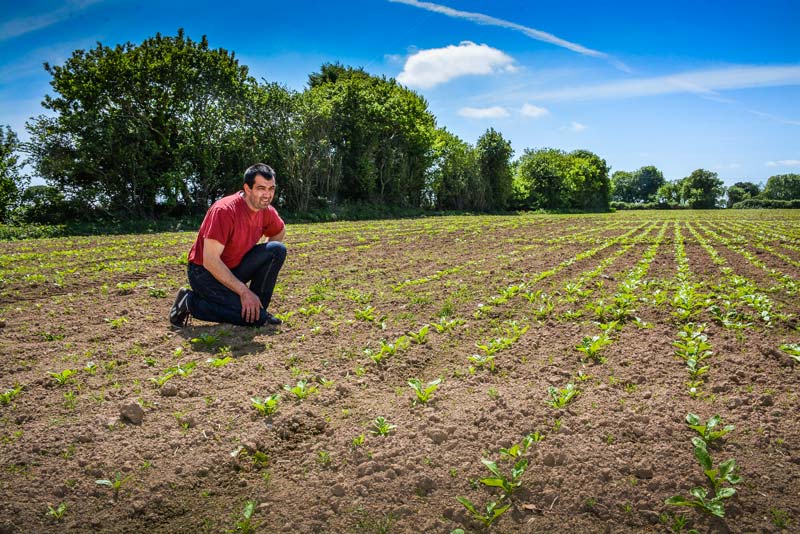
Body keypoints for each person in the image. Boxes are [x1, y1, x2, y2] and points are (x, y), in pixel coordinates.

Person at [169, 163, 287, 327]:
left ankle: (258, 309)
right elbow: (210, 261)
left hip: (233, 268)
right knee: (255, 319)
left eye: (271, 188)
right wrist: (244, 291)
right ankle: (189, 302)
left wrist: (257, 266)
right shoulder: (225, 211)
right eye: (261, 188)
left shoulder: (265, 210)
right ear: (247, 188)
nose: (267, 194)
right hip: (204, 273)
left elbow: (279, 231)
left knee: (277, 250)